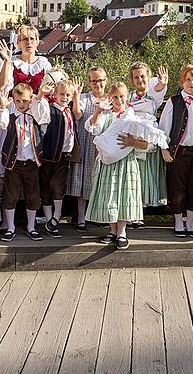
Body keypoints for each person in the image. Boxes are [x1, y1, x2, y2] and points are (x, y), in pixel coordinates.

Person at [85, 82, 165, 250]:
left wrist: (132, 141)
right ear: (110, 98)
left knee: (124, 197)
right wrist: (99, 110)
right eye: (115, 97)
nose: (119, 100)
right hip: (108, 164)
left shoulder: (135, 118)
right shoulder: (107, 116)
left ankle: (122, 232)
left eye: (122, 96)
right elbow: (92, 128)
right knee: (110, 197)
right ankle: (112, 231)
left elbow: (149, 146)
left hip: (126, 163)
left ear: (126, 96)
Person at [0, 82, 52, 241]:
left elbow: (43, 115)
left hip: (32, 163)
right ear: (13, 100)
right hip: (14, 163)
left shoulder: (36, 114)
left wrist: (39, 96)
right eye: (17, 101)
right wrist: (3, 107)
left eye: (24, 100)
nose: (21, 104)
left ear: (30, 99)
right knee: (10, 195)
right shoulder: (9, 116)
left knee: (33, 196)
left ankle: (31, 226)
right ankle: (10, 227)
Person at [159, 63, 193, 238]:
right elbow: (163, 127)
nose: (192, 83)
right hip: (178, 151)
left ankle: (190, 221)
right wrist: (164, 149)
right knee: (177, 187)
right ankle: (178, 221)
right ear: (182, 81)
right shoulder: (174, 101)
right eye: (188, 79)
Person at [128, 62, 170, 224]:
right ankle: (132, 212)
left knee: (146, 176)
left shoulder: (152, 95)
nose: (140, 80)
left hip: (148, 141)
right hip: (132, 140)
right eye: (136, 77)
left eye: (143, 76)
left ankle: (140, 213)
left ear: (148, 77)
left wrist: (162, 83)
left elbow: (158, 91)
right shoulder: (130, 95)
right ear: (132, 80)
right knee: (133, 177)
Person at [38, 78, 81, 238]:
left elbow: (78, 115)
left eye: (68, 95)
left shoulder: (69, 111)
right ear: (55, 95)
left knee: (58, 186)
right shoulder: (51, 110)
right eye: (62, 94)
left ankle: (56, 216)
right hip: (50, 156)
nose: (64, 97)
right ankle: (50, 220)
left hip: (65, 155)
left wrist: (76, 96)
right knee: (46, 186)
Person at [67, 66, 108, 231]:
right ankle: (81, 218)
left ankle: (100, 216)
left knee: (101, 181)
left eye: (100, 80)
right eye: (94, 81)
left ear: (106, 80)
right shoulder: (85, 97)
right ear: (89, 83)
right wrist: (76, 96)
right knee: (83, 180)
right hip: (86, 143)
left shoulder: (111, 98)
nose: (97, 84)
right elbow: (77, 115)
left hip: (104, 145)